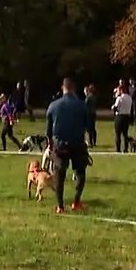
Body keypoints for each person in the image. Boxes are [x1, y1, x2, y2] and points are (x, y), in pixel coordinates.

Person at [46, 78, 91, 214]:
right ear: (74, 89)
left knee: (59, 174)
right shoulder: (82, 105)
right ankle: (76, 202)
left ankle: (60, 206)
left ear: (63, 88)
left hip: (60, 145)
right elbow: (88, 126)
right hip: (77, 143)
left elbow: (48, 130)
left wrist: (50, 142)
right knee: (80, 173)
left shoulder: (53, 105)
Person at [111, 85, 134, 153]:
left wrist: (113, 108)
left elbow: (116, 107)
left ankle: (118, 149)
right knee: (125, 133)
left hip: (120, 116)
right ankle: (126, 148)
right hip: (127, 116)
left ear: (121, 90)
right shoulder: (130, 98)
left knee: (118, 134)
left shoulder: (119, 98)